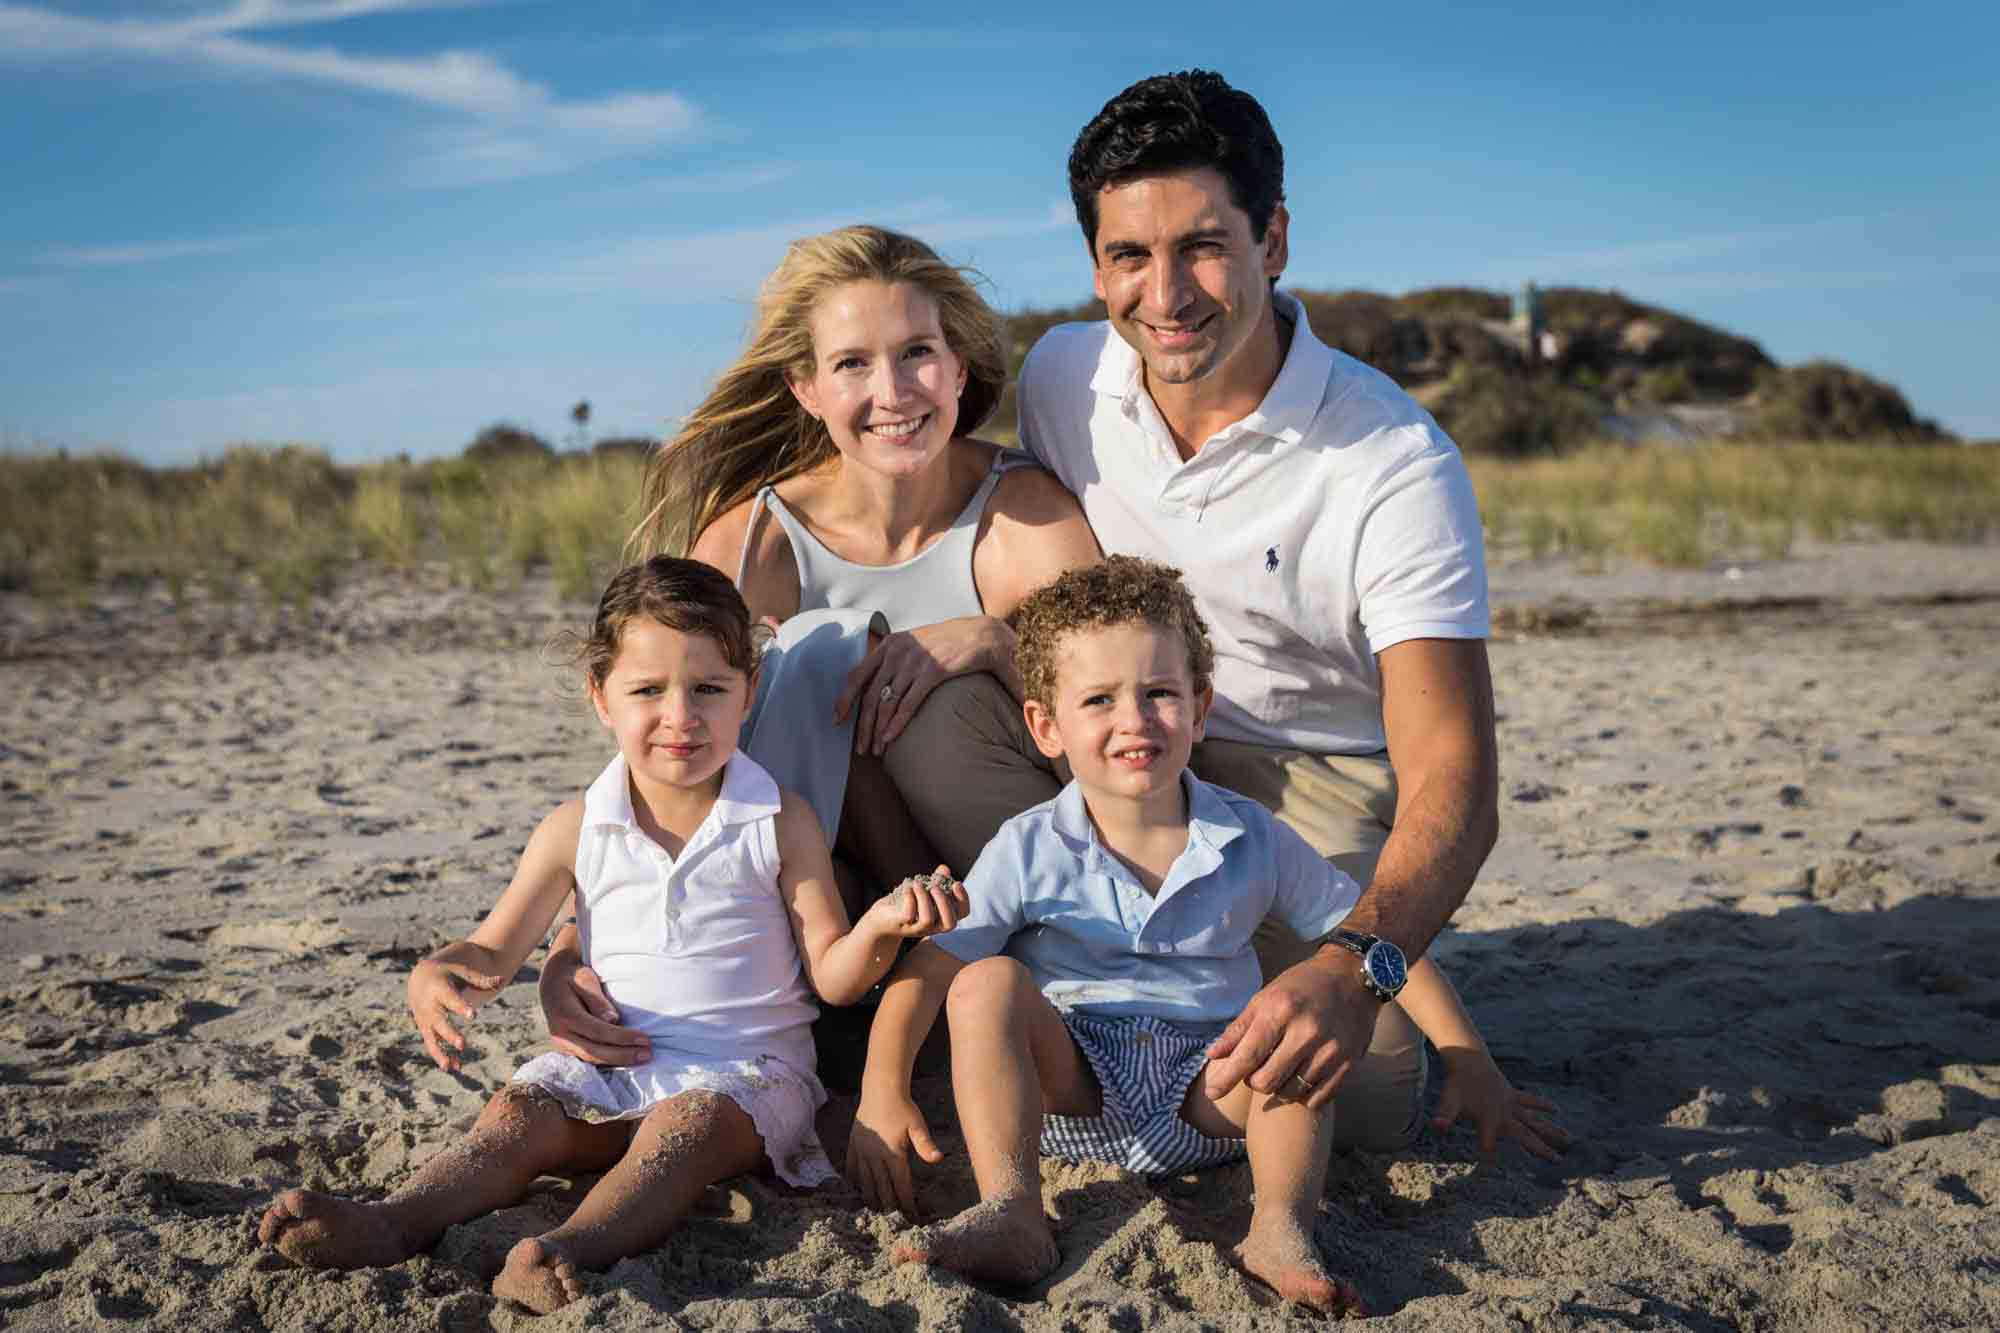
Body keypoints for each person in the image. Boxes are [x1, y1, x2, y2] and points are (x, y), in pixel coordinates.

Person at [879, 69, 1501, 1131]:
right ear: (1093, 264)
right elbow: (898, 439)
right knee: (924, 711)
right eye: (1129, 255)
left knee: (1367, 1096)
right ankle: (980, 988)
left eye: (1203, 246)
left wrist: (1353, 966)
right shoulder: (1063, 377)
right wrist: (995, 633)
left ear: (1273, 241)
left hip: (1309, 784)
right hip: (1126, 727)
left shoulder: (1392, 460)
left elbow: (1456, 775)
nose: (1163, 298)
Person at [255, 557, 969, 1314]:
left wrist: (885, 924)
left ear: (749, 691)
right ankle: (392, 1219)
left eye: (709, 689)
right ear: (600, 696)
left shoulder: (778, 821)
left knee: (681, 1131)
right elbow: (494, 947)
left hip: (746, 1077)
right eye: (647, 690)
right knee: (515, 1113)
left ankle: (567, 1246)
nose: (681, 716)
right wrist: (435, 971)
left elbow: (831, 973)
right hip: (609, 1070)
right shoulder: (576, 826)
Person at [848, 559, 1563, 1315]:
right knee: (984, 982)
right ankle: (1015, 1209)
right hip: (1077, 1086)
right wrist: (880, 1089)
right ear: (1046, 725)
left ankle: (1279, 1229)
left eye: (1159, 693)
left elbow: (1371, 947)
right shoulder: (1030, 845)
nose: (1134, 719)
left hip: (1212, 1088)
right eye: (1098, 699)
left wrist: (1468, 1057)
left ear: (1200, 706)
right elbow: (930, 963)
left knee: (1294, 1024)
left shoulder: (1248, 833)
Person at [538, 226, 1100, 1072]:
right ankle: (843, 1004)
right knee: (815, 651)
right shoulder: (754, 543)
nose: (893, 391)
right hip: (835, 915)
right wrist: (567, 952)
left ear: (957, 366)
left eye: (917, 353)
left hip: (1020, 886)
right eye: (852, 365)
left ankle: (1004, 983)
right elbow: (658, 764)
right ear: (805, 386)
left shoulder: (1023, 516)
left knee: (915, 689)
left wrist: (990, 640)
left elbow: (1127, 722)